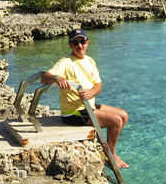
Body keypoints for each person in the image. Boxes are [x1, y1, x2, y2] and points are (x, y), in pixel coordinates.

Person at [41, 29, 130, 169]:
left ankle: (105, 148)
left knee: (123, 115)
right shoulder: (65, 62)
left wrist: (92, 92)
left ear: (87, 43)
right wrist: (57, 78)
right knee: (116, 121)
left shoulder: (89, 61)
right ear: (70, 45)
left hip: (89, 106)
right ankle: (110, 155)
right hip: (73, 113)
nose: (80, 45)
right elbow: (44, 78)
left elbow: (98, 84)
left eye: (82, 41)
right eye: (76, 42)